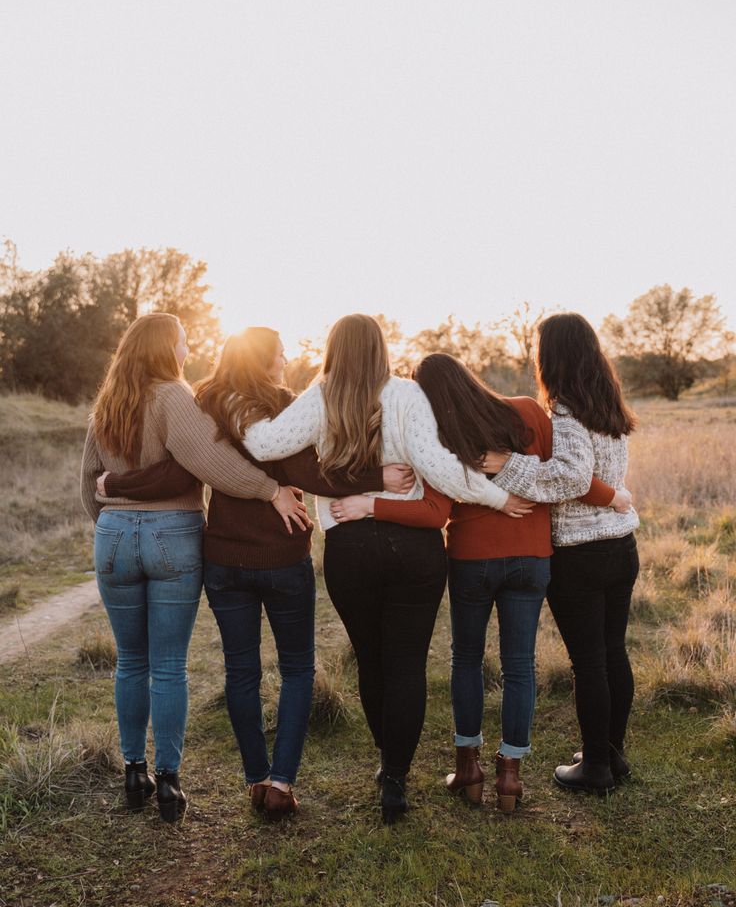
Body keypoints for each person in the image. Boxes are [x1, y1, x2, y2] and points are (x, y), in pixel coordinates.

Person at [97, 327, 413, 819]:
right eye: (281, 352)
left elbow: (188, 468)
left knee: (240, 671)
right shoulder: (286, 404)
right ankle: (282, 782)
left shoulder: (205, 401)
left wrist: (112, 499)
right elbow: (310, 474)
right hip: (283, 559)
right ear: (264, 362)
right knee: (297, 669)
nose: (287, 358)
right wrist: (379, 478)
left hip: (224, 561)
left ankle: (256, 778)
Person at [242, 314, 534, 823]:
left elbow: (265, 444)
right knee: (406, 665)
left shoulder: (320, 395)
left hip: (350, 547)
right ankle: (395, 779)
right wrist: (494, 496)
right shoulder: (405, 394)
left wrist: (233, 408)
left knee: (371, 660)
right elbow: (438, 465)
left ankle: (386, 760)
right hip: (414, 549)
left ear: (335, 349)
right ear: (380, 349)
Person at [329, 352, 625, 812]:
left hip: (471, 560)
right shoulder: (528, 409)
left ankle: (468, 769)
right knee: (519, 665)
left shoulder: (443, 435)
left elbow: (435, 511)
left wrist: (372, 504)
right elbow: (569, 478)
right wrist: (614, 496)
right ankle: (510, 777)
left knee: (466, 659)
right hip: (531, 559)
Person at [80, 313, 308, 822]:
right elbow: (211, 463)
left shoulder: (108, 400)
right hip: (171, 536)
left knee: (130, 661)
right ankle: (168, 783)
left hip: (112, 536)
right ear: (166, 349)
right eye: (183, 343)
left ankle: (133, 771)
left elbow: (88, 482)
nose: (187, 352)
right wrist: (269, 490)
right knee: (166, 667)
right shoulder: (172, 395)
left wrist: (114, 522)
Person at [483, 312, 639, 795]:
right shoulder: (609, 409)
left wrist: (507, 467)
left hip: (581, 554)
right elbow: (593, 477)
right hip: (620, 547)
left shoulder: (568, 414)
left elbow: (571, 477)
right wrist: (611, 497)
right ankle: (610, 754)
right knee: (613, 652)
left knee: (590, 661)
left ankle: (594, 767)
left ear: (552, 357)